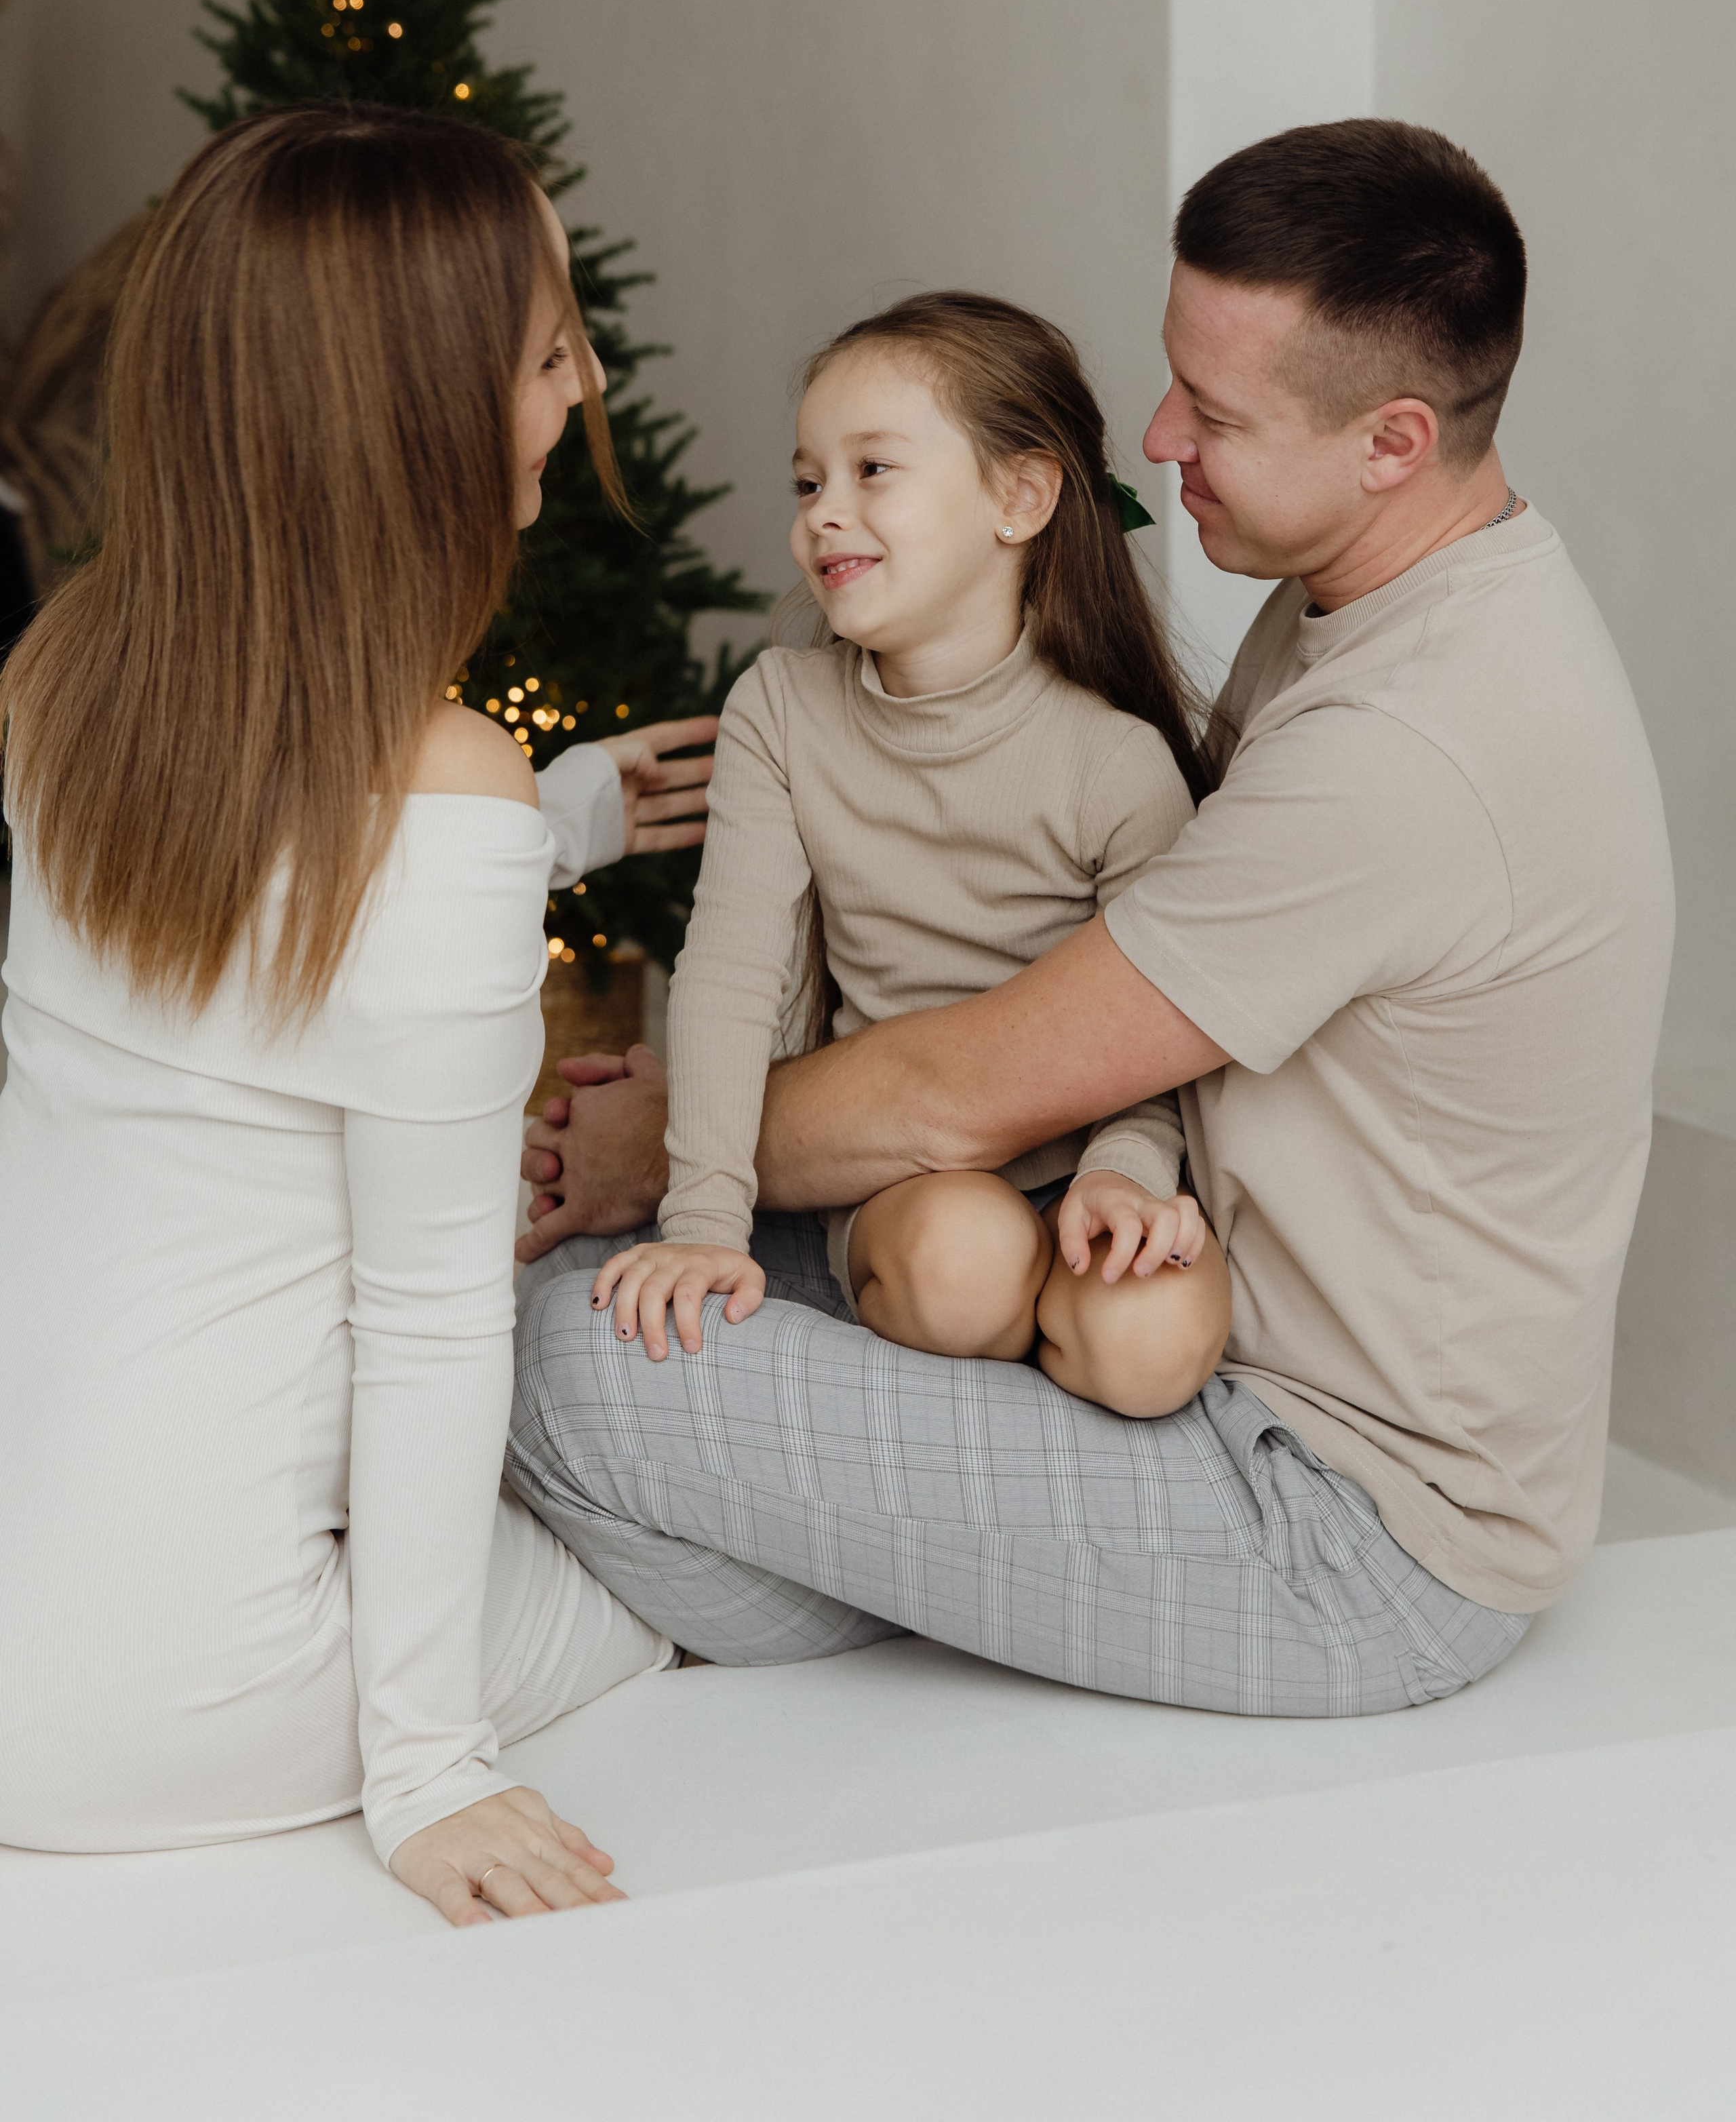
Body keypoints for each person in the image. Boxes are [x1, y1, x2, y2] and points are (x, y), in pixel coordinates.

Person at [509, 119, 1674, 1715]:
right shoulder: (1367, 604)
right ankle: (912, 1550)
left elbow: (969, 1085)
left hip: (1330, 1521)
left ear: (1391, 441)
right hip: (1146, 1320)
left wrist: (666, 1150)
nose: (1159, 434)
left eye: (1215, 410)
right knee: (724, 1287)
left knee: (558, 1357)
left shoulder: (1412, 742)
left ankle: (818, 1579)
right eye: (1170, 375)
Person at [0, 101, 716, 1925]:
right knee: (703, 1579)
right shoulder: (445, 787)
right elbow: (424, 1326)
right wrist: (429, 1771)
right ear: (420, 414)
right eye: (553, 350)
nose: (584, 383)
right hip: (175, 1700)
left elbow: (256, 919)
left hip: (34, 1626)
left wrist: (556, 815)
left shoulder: (66, 676)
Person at [590, 294, 1229, 1417]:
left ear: (1020, 498)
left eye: (871, 470)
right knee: (961, 1260)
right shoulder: (782, 711)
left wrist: (1126, 1179)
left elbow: (1159, 1042)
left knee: (1154, 1342)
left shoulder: (1116, 764)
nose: (823, 515)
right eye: (807, 482)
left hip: (1090, 1173)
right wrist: (699, 1224)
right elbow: (735, 972)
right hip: (908, 1187)